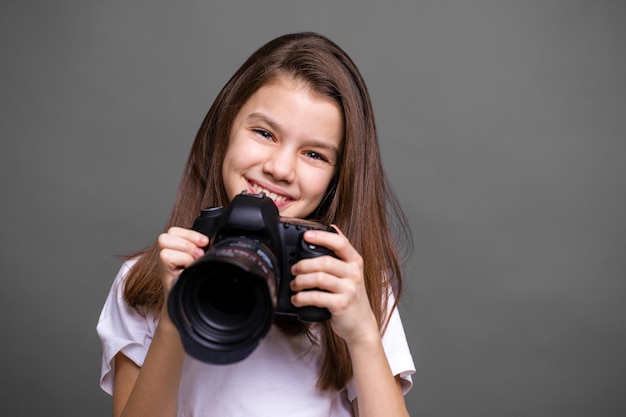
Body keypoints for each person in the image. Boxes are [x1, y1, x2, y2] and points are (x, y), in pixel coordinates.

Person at [97, 31, 415, 417]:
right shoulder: (145, 280)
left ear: (338, 177)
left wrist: (363, 334)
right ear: (226, 127)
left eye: (314, 154)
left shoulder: (351, 286)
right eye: (264, 133)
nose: (279, 169)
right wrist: (176, 314)